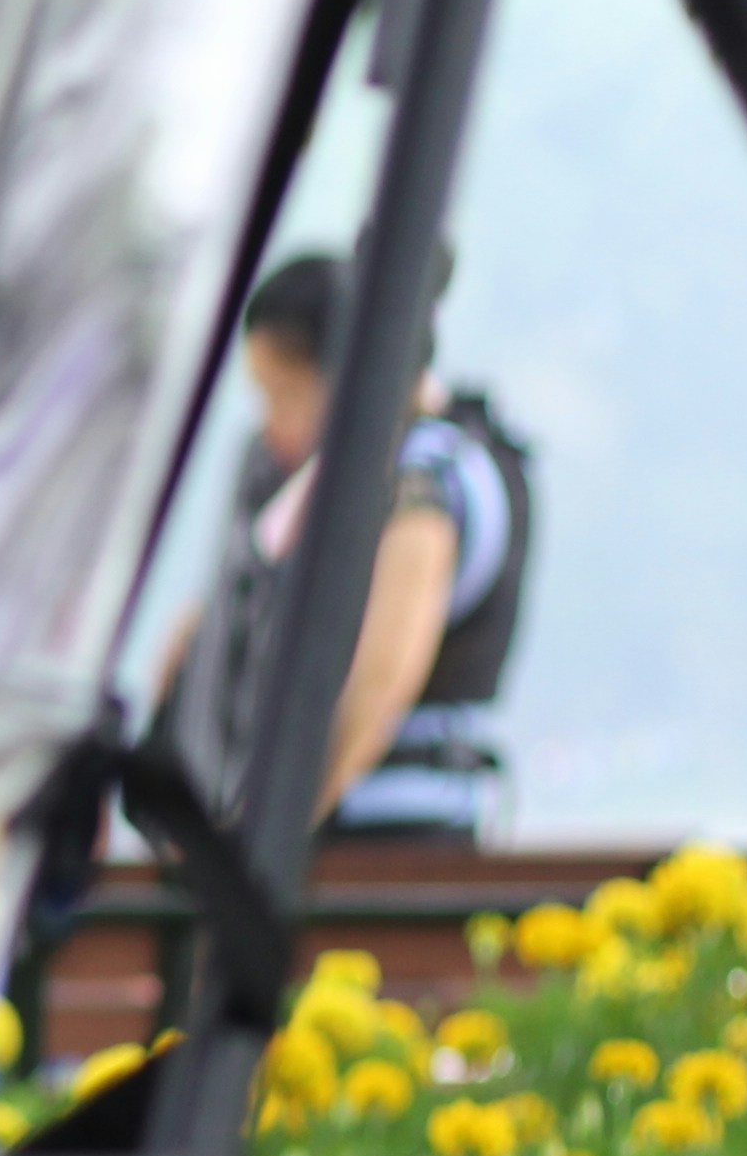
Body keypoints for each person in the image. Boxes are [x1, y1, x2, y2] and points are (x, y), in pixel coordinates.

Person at [163, 252, 532, 837]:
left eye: (284, 395)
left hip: (390, 842)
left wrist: (265, 836)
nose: (271, 425)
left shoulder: (423, 484)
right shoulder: (305, 486)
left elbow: (380, 678)